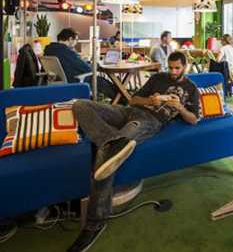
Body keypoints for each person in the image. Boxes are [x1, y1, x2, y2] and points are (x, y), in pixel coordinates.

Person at [68, 52, 200, 251]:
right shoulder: (157, 78)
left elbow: (193, 119)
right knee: (80, 105)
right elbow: (133, 100)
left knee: (107, 155)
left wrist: (180, 107)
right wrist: (150, 101)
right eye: (170, 67)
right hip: (126, 112)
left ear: (185, 66)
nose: (173, 72)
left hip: (149, 122)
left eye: (177, 68)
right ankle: (111, 140)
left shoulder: (191, 88)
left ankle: (94, 223)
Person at [44, 28, 115, 99]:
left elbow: (72, 63)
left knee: (100, 81)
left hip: (60, 81)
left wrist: (80, 60)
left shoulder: (49, 49)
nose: (76, 42)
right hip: (74, 81)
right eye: (76, 40)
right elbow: (87, 69)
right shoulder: (66, 51)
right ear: (70, 39)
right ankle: (119, 97)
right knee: (99, 81)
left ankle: (119, 96)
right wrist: (95, 65)